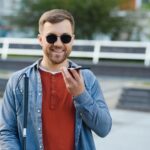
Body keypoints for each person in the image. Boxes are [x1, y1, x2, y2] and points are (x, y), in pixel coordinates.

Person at [0, 9, 112, 150]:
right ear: (40, 40)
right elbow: (7, 132)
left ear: (72, 40)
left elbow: (104, 128)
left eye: (65, 38)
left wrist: (81, 94)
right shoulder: (18, 81)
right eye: (51, 37)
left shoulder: (87, 79)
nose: (58, 44)